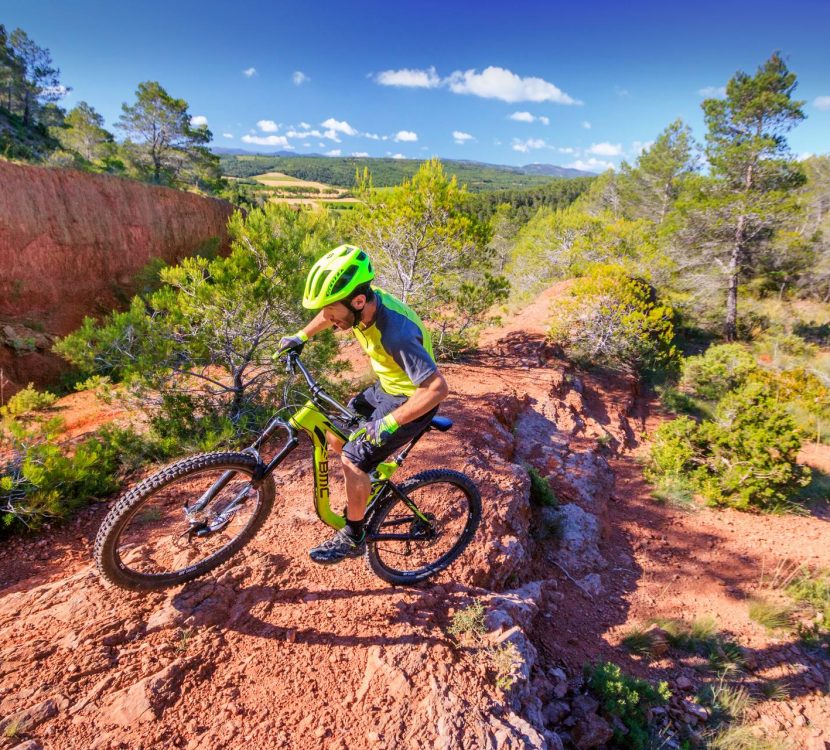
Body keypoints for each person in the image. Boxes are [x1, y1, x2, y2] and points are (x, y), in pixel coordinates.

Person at [277, 244, 449, 564]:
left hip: (413, 400)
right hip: (386, 387)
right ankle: (367, 483)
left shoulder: (394, 333)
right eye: (326, 312)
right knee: (335, 433)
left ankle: (355, 535)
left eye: (332, 313)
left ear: (357, 302)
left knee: (354, 458)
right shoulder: (360, 303)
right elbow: (330, 313)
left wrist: (387, 423)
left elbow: (437, 389)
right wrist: (301, 335)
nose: (328, 319)